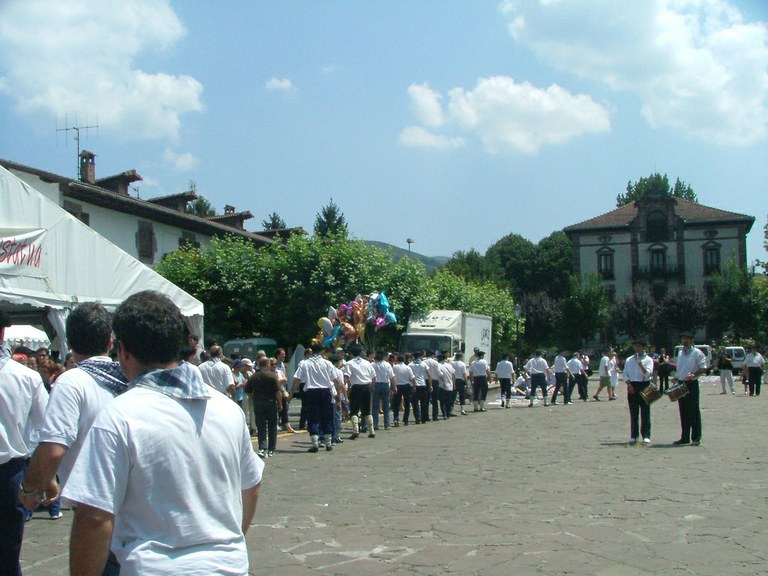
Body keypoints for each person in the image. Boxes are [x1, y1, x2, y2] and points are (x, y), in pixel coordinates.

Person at [61, 291, 264, 575]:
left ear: (123, 350)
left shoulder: (119, 415)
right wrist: (224, 548)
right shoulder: (227, 410)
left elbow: (94, 516)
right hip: (229, 566)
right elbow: (251, 485)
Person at [19, 303, 128, 576]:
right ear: (110, 341)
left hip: (96, 507)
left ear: (69, 342)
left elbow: (53, 448)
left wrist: (30, 489)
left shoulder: (72, 381)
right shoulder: (127, 377)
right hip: (135, 502)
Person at [0, 309, 48, 576]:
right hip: (10, 472)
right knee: (8, 553)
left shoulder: (26, 376)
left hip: (10, 471)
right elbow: (48, 429)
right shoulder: (26, 377)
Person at [290, 347, 338, 452]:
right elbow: (335, 380)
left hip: (311, 392)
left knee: (312, 417)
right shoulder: (327, 363)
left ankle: (315, 444)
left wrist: (291, 393)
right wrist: (337, 395)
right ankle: (328, 443)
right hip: (325, 391)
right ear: (321, 351)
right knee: (327, 417)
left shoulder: (304, 363)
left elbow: (297, 379)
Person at [672, 332, 707, 446]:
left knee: (693, 411)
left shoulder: (697, 353)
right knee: (683, 410)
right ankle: (685, 437)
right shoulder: (680, 353)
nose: (685, 341)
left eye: (687, 339)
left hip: (691, 383)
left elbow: (703, 368)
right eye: (683, 339)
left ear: (692, 340)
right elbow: (680, 368)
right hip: (681, 382)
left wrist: (694, 375)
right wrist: (676, 377)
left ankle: (696, 437)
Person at [247, 357, 282, 457]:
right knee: (272, 426)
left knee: (261, 426)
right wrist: (280, 403)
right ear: (268, 364)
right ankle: (271, 448)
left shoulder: (253, 377)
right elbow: (278, 392)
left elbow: (248, 391)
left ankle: (262, 448)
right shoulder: (273, 376)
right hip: (271, 402)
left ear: (258, 365)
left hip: (258, 402)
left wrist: (254, 398)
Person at [623, 339, 654, 446]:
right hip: (633, 385)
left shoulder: (648, 360)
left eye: (639, 346)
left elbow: (649, 373)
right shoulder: (629, 360)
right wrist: (629, 384)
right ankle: (634, 435)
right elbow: (625, 373)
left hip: (645, 385)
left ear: (643, 347)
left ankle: (646, 435)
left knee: (645, 412)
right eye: (636, 346)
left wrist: (641, 365)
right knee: (633, 412)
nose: (637, 348)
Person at [343, 344, 376, 439]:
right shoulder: (367, 363)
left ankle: (356, 430)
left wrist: (345, 387)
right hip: (367, 386)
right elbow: (374, 377)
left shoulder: (349, 363)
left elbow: (346, 377)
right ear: (361, 352)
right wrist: (372, 387)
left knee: (354, 410)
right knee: (367, 410)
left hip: (356, 387)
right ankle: (371, 430)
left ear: (351, 353)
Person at [371, 351, 396, 430]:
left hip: (375, 384)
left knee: (375, 405)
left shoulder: (372, 364)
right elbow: (392, 377)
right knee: (386, 405)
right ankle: (387, 424)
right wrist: (394, 386)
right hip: (385, 384)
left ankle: (375, 424)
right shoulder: (387, 364)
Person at [392, 354, 416, 426]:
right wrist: (414, 386)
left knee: (396, 403)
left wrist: (392, 386)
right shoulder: (407, 367)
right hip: (406, 386)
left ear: (397, 360)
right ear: (404, 360)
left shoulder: (394, 367)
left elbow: (392, 377)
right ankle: (405, 420)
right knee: (407, 403)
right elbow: (412, 378)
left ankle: (396, 418)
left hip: (398, 385)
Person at [423, 350, 441, 422]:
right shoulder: (435, 362)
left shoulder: (423, 362)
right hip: (434, 380)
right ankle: (435, 416)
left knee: (426, 399)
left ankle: (425, 416)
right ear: (432, 355)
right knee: (435, 400)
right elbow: (438, 372)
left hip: (426, 380)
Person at [437, 353, 456, 419]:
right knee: (449, 402)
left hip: (442, 386)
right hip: (450, 386)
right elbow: (453, 375)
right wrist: (454, 384)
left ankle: (444, 414)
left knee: (442, 402)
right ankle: (448, 414)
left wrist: (444, 382)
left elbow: (440, 375)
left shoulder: (438, 365)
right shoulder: (449, 365)